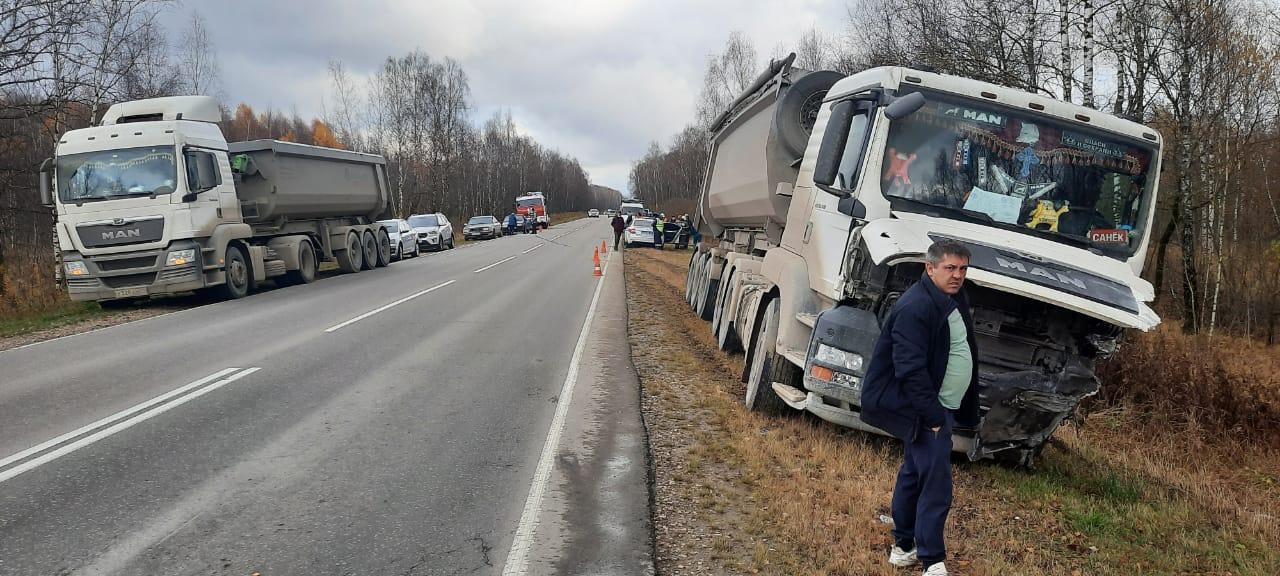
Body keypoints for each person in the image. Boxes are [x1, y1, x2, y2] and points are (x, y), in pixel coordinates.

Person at [859, 240, 980, 576]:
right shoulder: (916, 307)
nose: (957, 275)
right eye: (950, 268)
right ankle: (932, 560)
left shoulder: (951, 298)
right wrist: (933, 417)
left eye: (962, 269)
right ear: (930, 268)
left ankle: (903, 546)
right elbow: (909, 368)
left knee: (914, 474)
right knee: (935, 484)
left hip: (942, 407)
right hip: (930, 409)